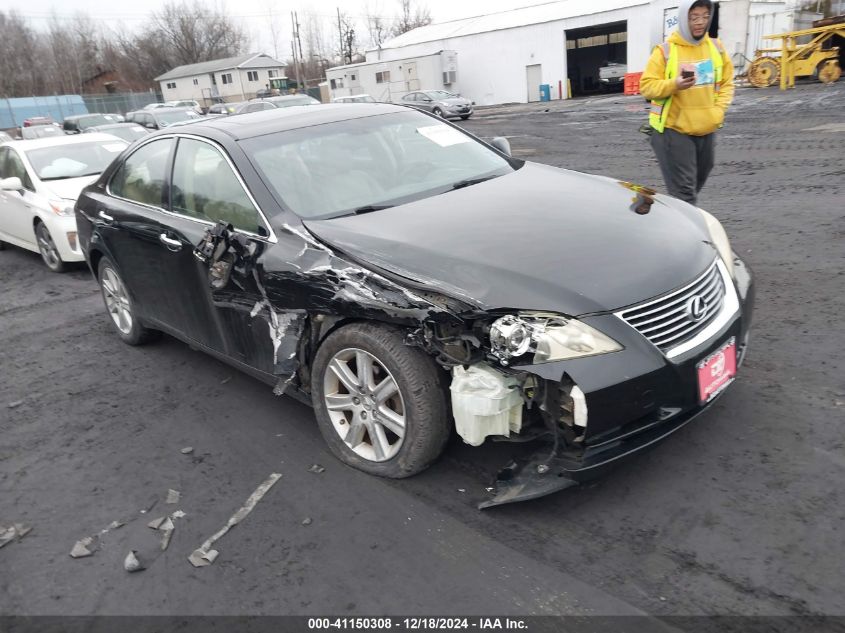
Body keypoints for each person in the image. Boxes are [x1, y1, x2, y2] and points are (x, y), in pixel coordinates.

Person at [640, 0, 734, 205]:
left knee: (692, 186)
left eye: (704, 16)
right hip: (674, 130)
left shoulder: (716, 48)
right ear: (684, 19)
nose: (700, 22)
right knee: (685, 192)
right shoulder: (665, 51)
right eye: (693, 17)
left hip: (706, 128)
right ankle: (688, 234)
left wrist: (718, 110)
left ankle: (670, 213)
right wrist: (675, 84)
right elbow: (647, 87)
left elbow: (727, 83)